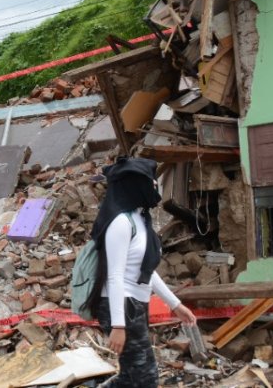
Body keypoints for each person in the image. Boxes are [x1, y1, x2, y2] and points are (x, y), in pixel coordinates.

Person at [86, 157, 197, 387]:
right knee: (145, 377)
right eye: (151, 182)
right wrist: (118, 325)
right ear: (135, 185)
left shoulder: (139, 220)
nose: (155, 187)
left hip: (134, 305)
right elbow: (114, 276)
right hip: (120, 306)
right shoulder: (121, 223)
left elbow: (145, 271)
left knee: (133, 376)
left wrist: (175, 304)